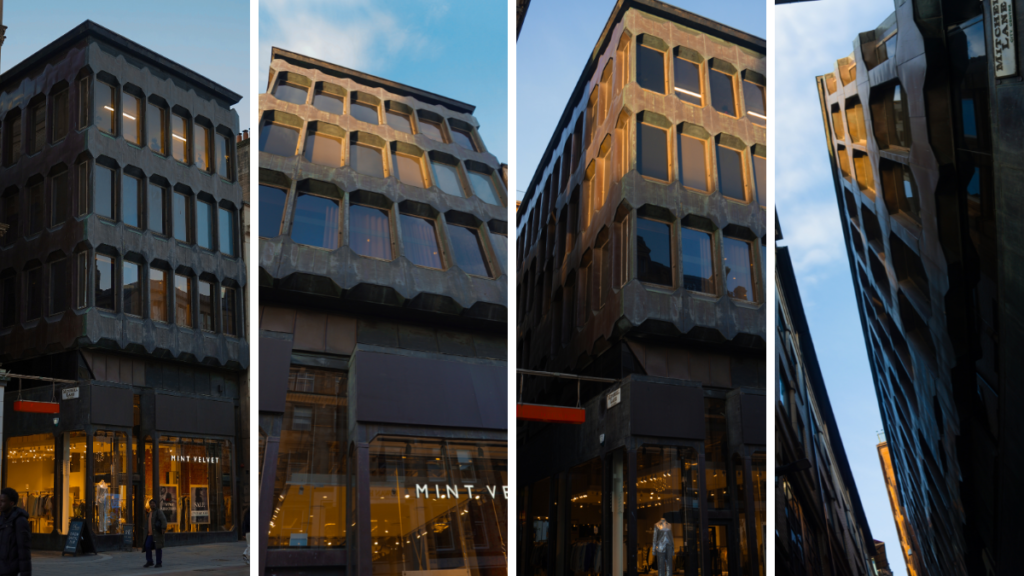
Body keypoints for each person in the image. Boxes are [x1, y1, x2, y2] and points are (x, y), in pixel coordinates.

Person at [0, 487, 31, 576]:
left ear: (11, 503)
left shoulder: (19, 521)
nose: (0, 504)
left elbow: (24, 551)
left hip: (9, 569)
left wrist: (25, 574)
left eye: (2, 501)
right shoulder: (2, 519)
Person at [143, 499, 167, 568]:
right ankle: (149, 561)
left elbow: (163, 520)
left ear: (155, 504)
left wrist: (163, 528)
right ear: (150, 505)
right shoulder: (149, 514)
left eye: (153, 503)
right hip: (150, 534)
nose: (152, 504)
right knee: (147, 546)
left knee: (158, 548)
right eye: (151, 503)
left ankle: (159, 563)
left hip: (157, 534)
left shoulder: (158, 512)